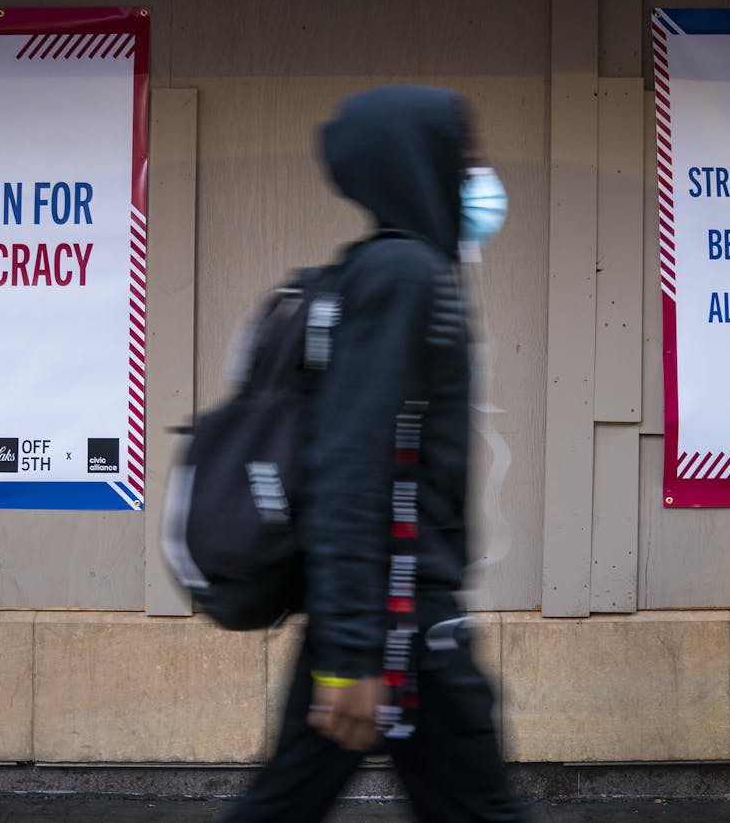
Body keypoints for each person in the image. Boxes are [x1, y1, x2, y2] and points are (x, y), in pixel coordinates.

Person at [222, 86, 524, 823]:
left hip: (391, 618)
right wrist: (352, 658)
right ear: (418, 163)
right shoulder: (402, 276)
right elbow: (352, 465)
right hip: (400, 625)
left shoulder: (399, 270)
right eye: (464, 156)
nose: (479, 175)